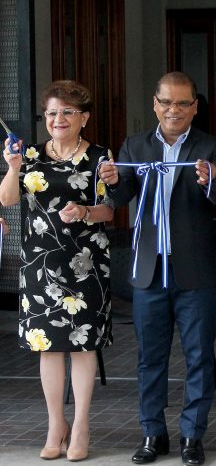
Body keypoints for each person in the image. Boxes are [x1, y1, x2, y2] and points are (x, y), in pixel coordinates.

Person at [99, 71, 216, 465]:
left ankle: (193, 436)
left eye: (182, 103)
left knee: (199, 356)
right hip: (149, 269)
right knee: (150, 357)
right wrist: (112, 181)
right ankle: (152, 433)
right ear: (155, 104)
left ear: (195, 107)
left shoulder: (211, 146)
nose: (174, 110)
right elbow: (121, 196)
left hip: (195, 270)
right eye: (166, 102)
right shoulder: (135, 144)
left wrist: (211, 179)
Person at [0, 80, 114, 461]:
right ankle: (55, 424)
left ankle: (80, 425)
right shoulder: (30, 154)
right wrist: (13, 167)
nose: (58, 119)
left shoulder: (99, 156)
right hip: (39, 264)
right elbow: (7, 198)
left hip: (86, 264)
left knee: (82, 346)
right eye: (51, 113)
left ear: (84, 118)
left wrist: (84, 211)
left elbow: (109, 210)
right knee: (46, 347)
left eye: (67, 112)